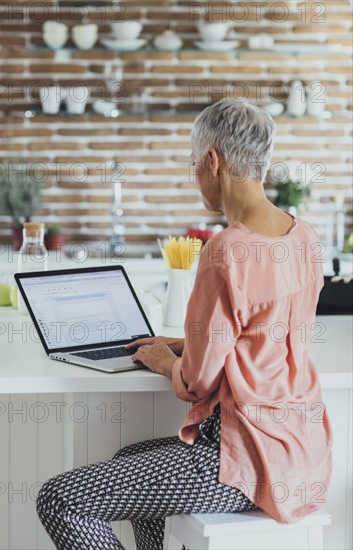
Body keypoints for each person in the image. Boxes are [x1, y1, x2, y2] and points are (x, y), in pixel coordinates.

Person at [36, 99, 333, 549]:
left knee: (61, 499)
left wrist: (161, 360)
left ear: (213, 160)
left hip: (241, 461)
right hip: (302, 452)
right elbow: (265, 333)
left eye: (195, 165)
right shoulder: (304, 234)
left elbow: (196, 382)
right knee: (128, 457)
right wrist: (185, 340)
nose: (195, 176)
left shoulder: (226, 250)